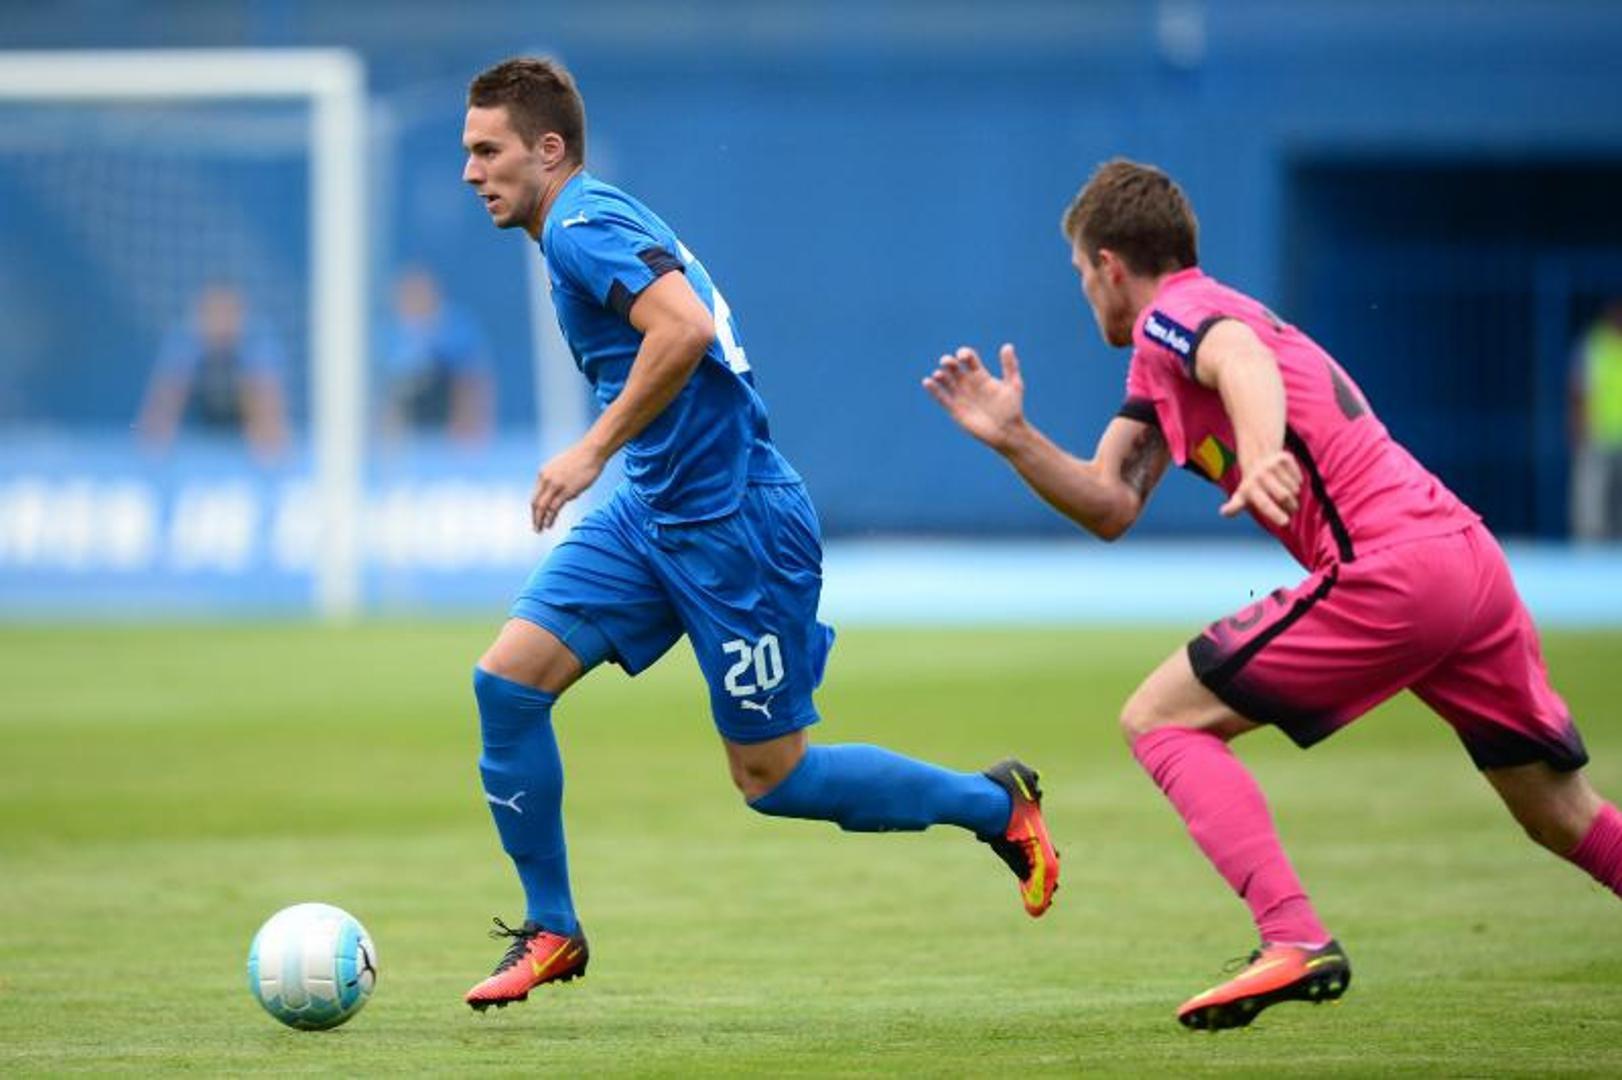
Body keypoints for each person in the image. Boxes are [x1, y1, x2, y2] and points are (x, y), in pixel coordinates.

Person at [924, 159, 1622, 1031]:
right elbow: (1109, 503)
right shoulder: (1163, 364)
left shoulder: (1176, 315)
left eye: (1078, 273)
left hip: (1392, 569)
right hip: (1466, 561)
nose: (1084, 293)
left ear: (1108, 265)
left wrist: (1259, 457)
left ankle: (1292, 935)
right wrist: (1015, 438)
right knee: (1558, 814)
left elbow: (1241, 359)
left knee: (1162, 719)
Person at [456, 56, 1059, 1011]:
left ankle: (997, 805)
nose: (471, 172)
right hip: (654, 510)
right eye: (469, 152)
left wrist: (591, 450)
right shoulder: (587, 218)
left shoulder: (578, 225)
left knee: (776, 780)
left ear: (550, 149)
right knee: (507, 685)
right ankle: (553, 928)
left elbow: (685, 329)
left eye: (488, 151)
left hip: (735, 526)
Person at [135, 283, 289, 461]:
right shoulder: (184, 344)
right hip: (200, 424)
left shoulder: (257, 346)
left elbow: (273, 425)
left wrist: (268, 451)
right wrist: (153, 453)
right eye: (214, 314)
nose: (221, 323)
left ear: (242, 316)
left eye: (229, 314)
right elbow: (158, 419)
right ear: (199, 316)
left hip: (244, 427)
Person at [380, 266, 493, 444]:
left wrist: (471, 432)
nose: (415, 302)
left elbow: (474, 382)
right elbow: (384, 393)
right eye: (409, 296)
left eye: (420, 295)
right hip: (406, 426)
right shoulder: (388, 337)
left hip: (450, 423)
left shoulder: (455, 332)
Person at [1570, 299, 1622, 541]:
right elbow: (1578, 391)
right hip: (1597, 436)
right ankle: (1590, 552)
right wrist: (1578, 428)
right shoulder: (1594, 345)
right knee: (1593, 505)